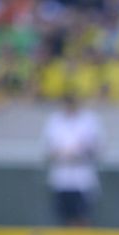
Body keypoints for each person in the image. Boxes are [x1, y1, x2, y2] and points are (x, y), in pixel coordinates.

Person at [42, 92, 103, 227]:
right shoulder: (55, 121)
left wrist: (79, 152)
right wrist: (61, 153)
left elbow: (97, 148)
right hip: (61, 177)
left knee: (82, 217)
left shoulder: (89, 120)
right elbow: (47, 149)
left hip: (82, 177)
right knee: (63, 217)